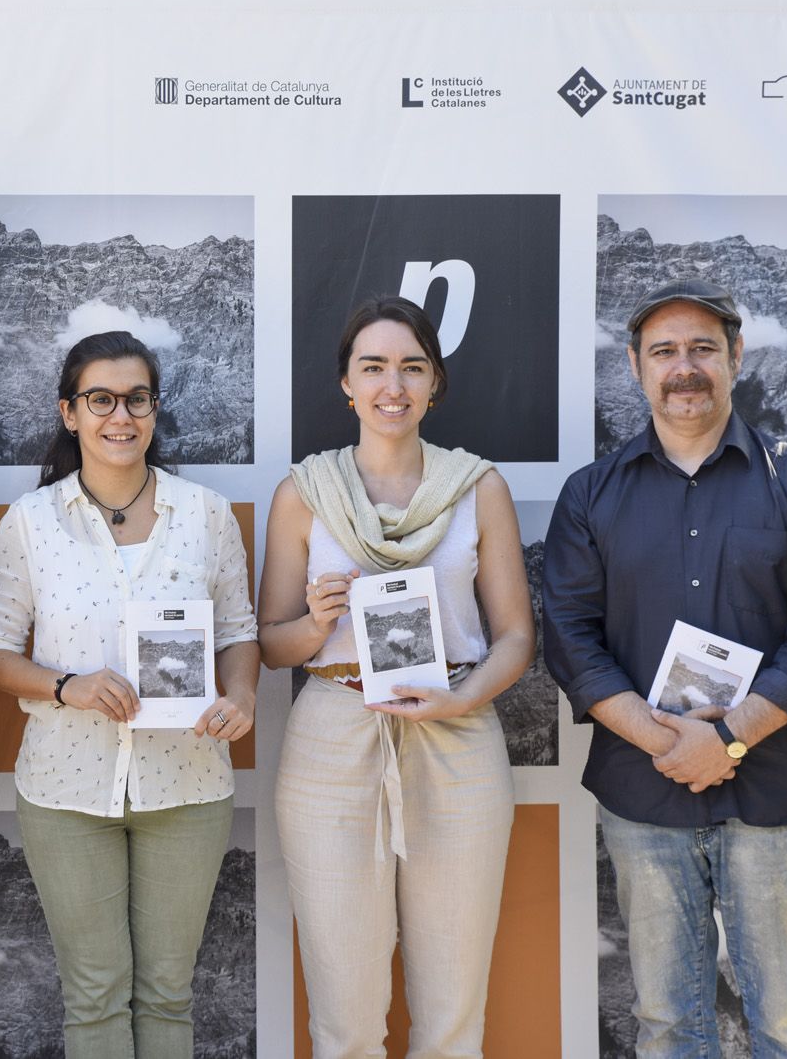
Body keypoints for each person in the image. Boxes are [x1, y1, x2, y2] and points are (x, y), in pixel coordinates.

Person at [543, 279, 787, 1057]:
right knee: (667, 1026)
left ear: (736, 355)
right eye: (664, 351)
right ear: (635, 365)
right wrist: (667, 742)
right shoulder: (590, 495)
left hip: (775, 790)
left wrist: (729, 739)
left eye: (701, 349)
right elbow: (571, 639)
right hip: (644, 794)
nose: (683, 367)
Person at [258, 296, 533, 1058]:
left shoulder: (478, 488)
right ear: (345, 383)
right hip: (333, 736)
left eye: (412, 367)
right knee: (345, 1020)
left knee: (452, 1019)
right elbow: (271, 644)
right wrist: (315, 623)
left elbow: (516, 636)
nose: (393, 385)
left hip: (457, 730)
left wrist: (461, 697)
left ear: (435, 382)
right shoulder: (303, 493)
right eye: (373, 367)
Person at [0, 331, 259, 1057]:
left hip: (187, 785)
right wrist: (67, 686)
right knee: (95, 996)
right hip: (66, 792)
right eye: (100, 399)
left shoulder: (206, 514)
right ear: (69, 412)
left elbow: (239, 632)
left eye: (137, 399)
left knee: (167, 994)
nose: (120, 416)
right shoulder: (32, 522)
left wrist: (242, 695)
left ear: (155, 409)